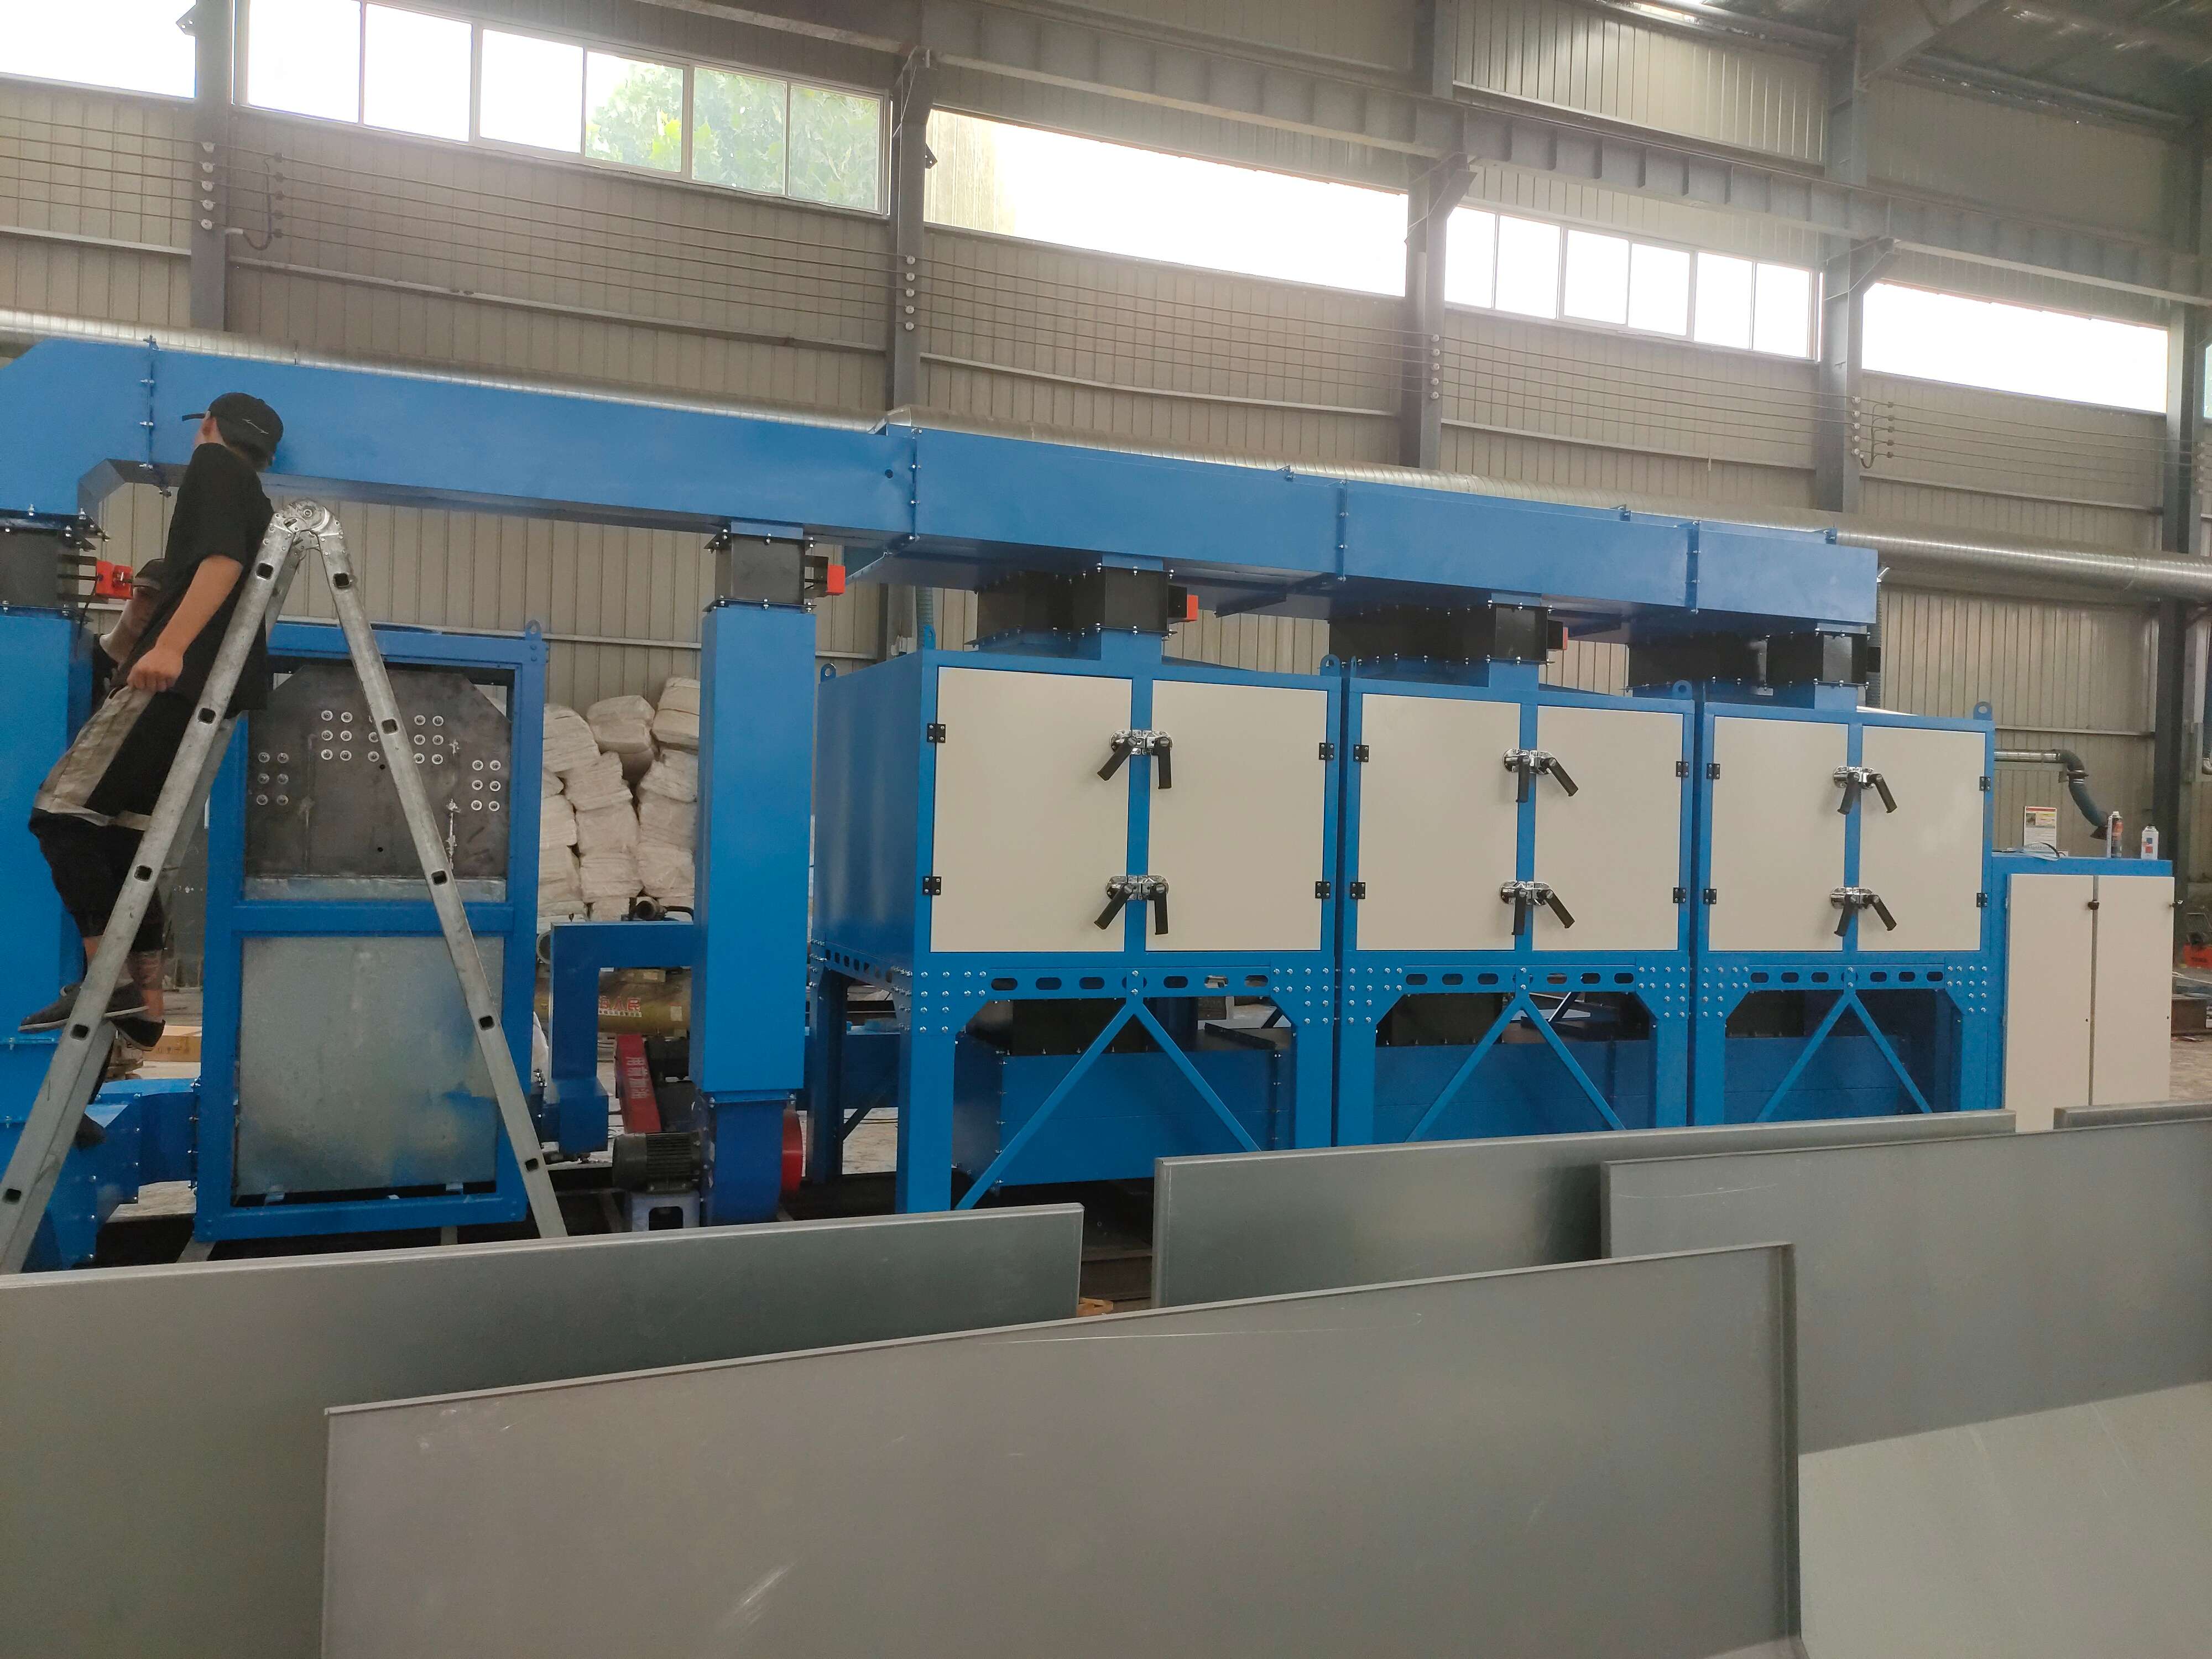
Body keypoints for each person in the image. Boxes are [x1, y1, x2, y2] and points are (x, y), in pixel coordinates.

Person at [19, 392, 284, 1051]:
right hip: (207, 687)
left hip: (177, 679)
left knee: (61, 815)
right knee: (121, 839)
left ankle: (109, 985)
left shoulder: (215, 468)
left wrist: (169, 647)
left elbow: (220, 562)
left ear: (209, 426)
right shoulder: (255, 497)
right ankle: (147, 1003)